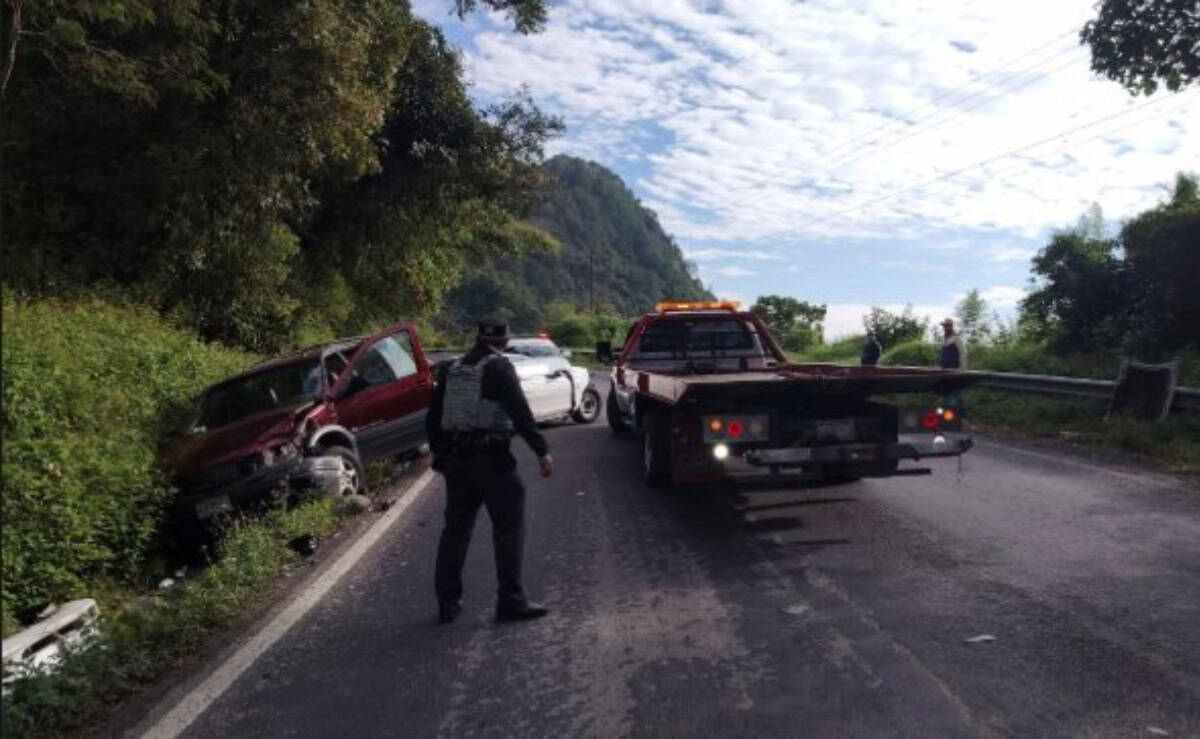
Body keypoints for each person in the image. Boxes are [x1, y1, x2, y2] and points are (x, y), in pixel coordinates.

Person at [426, 318, 554, 625]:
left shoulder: (451, 368)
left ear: (477, 337)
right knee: (508, 527)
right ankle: (510, 601)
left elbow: (434, 417)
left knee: (455, 531)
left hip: (456, 460)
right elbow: (520, 412)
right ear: (505, 341)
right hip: (491, 460)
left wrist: (439, 453)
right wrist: (541, 451)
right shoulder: (499, 367)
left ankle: (447, 602)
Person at [939, 318, 967, 415]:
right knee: (947, 394)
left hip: (955, 370)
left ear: (951, 326)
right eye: (944, 326)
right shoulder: (943, 339)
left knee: (954, 395)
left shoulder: (956, 338)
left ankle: (956, 417)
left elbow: (962, 354)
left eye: (947, 325)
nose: (945, 327)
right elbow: (943, 354)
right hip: (945, 371)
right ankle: (952, 415)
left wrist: (962, 370)